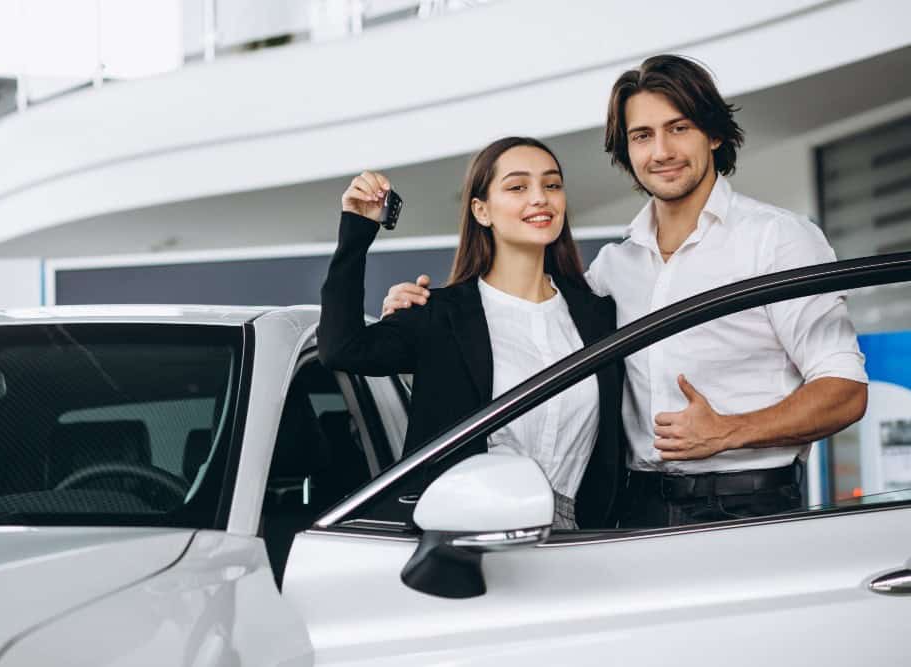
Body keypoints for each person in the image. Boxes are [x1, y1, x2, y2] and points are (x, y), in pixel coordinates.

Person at [381, 55, 868, 529]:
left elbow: (844, 391)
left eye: (679, 128)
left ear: (714, 134)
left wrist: (729, 431)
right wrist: (419, 316)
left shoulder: (777, 239)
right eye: (642, 136)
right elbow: (524, 342)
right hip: (631, 515)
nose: (661, 151)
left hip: (748, 507)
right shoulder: (612, 268)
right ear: (627, 152)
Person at [318, 137, 628, 530]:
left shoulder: (599, 314)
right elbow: (341, 350)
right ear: (482, 211)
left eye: (551, 185)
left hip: (578, 537)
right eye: (517, 187)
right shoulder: (439, 315)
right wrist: (357, 230)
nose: (540, 198)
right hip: (465, 536)